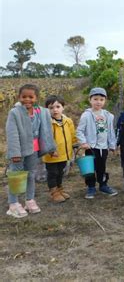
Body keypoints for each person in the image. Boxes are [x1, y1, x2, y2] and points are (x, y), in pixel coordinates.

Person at [6, 84, 56, 218]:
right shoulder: (15, 113)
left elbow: (46, 131)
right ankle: (13, 203)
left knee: (31, 175)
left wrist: (51, 147)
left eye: (31, 97)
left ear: (36, 98)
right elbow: (12, 134)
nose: (27, 100)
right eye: (24, 97)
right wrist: (15, 153)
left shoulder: (41, 112)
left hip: (34, 150)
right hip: (19, 151)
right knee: (16, 176)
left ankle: (29, 200)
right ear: (19, 97)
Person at [76, 87, 118, 199]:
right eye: (95, 99)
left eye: (101, 99)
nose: (98, 102)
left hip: (103, 147)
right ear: (90, 100)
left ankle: (103, 185)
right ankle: (91, 187)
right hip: (91, 147)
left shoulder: (108, 116)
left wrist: (112, 145)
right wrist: (84, 142)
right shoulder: (86, 115)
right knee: (90, 168)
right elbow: (79, 131)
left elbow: (111, 132)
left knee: (101, 167)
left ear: (105, 101)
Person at [43, 95, 77, 203]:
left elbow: (72, 135)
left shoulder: (68, 121)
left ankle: (59, 188)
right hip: (52, 154)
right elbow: (44, 138)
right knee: (52, 173)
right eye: (51, 107)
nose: (55, 110)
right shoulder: (46, 122)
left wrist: (75, 144)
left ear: (63, 107)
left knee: (60, 172)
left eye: (58, 106)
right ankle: (54, 192)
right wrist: (50, 150)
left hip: (64, 153)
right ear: (47, 110)